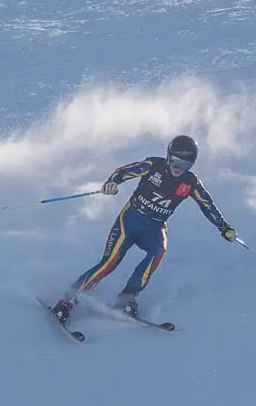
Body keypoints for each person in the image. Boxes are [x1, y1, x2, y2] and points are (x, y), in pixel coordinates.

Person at [51, 135, 236, 319]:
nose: (179, 168)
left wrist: (223, 227)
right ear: (169, 156)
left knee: (158, 250)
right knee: (110, 262)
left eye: (185, 165)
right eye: (175, 162)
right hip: (130, 221)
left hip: (154, 227)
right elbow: (124, 171)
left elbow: (207, 205)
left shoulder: (190, 183)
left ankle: (128, 296)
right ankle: (68, 299)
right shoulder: (153, 166)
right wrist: (112, 182)